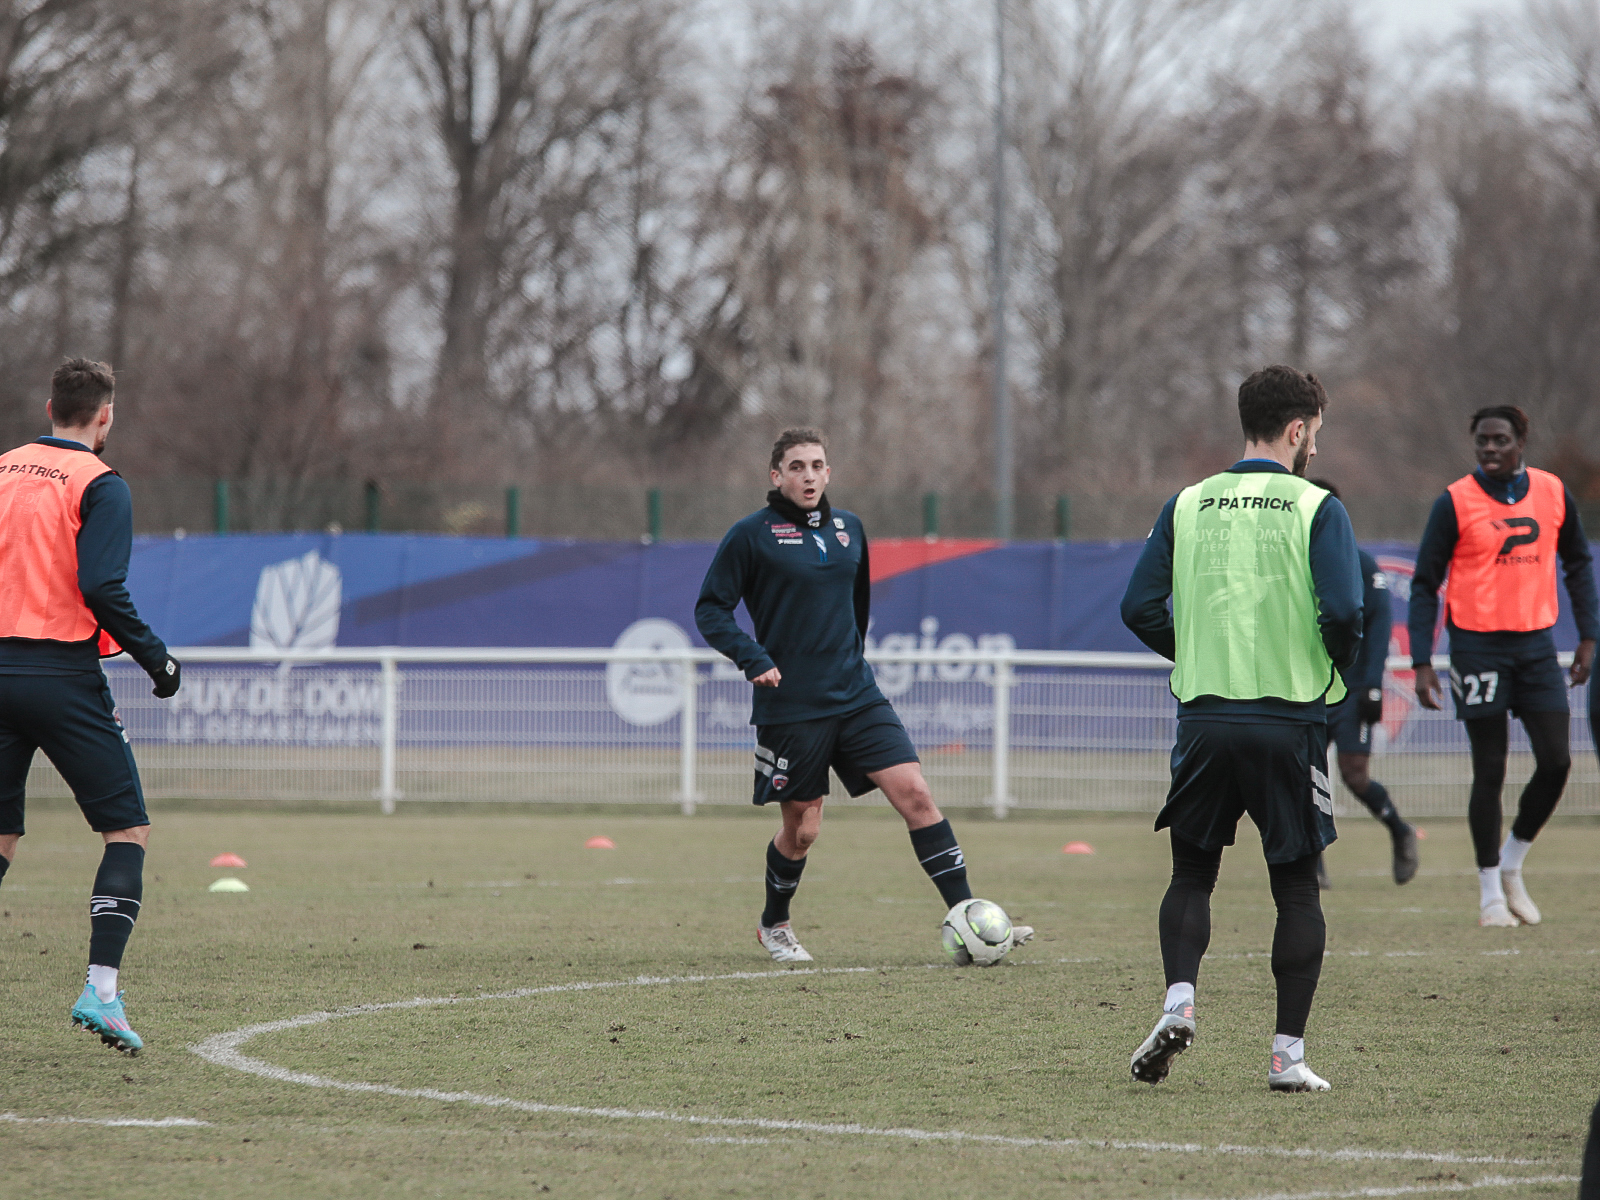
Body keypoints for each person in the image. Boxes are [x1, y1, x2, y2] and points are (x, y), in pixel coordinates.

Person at [695, 428, 1032, 963]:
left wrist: (850, 662)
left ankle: (968, 917)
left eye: (817, 465)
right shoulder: (750, 535)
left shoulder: (849, 529)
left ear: (828, 473)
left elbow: (857, 609)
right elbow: (710, 609)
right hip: (792, 704)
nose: (808, 475)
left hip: (857, 694)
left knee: (915, 793)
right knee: (802, 830)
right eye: (797, 466)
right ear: (776, 476)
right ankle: (774, 924)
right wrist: (752, 657)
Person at [1120, 365, 1362, 1093]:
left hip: (1204, 719)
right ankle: (1287, 1057)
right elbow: (1344, 612)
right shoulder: (1317, 506)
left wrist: (1197, 650)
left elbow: (1138, 607)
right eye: (1316, 434)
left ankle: (1179, 1003)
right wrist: (1334, 666)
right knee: (1297, 890)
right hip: (1287, 718)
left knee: (1192, 873)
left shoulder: (1187, 503)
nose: (1316, 448)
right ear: (1297, 429)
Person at [0, 359, 181, 1055]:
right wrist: (157, 660)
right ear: (105, 415)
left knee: (0, 838)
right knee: (126, 831)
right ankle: (101, 991)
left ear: (49, 407)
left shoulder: (4, 469)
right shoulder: (100, 483)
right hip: (60, 675)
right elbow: (102, 586)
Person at [1409, 406, 1597, 928]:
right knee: (1490, 767)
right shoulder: (1454, 501)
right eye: (1482, 441)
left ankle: (1513, 862)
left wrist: (1588, 636)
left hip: (1536, 646)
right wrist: (1422, 661)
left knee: (1557, 761)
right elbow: (1424, 582)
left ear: (1521, 442)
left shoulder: (1552, 491)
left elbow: (1578, 562)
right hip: (1477, 647)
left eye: (1500, 439)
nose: (1490, 448)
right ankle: (1490, 891)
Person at [1305, 479, 1418, 888]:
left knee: (1354, 775)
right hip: (1308, 691)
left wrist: (1372, 685)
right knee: (1305, 776)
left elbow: (1379, 624)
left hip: (1352, 691)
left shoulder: (1362, 564)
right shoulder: (1294, 562)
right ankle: (1313, 861)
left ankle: (1399, 830)